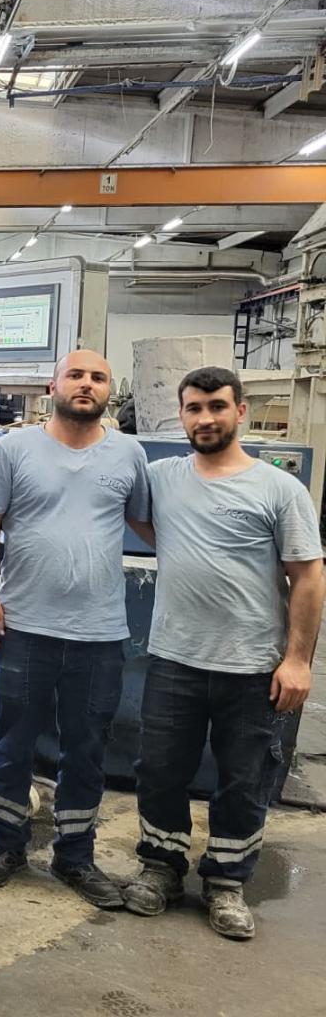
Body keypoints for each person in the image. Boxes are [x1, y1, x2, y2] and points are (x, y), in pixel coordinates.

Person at [123, 366, 323, 940]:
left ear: (240, 411)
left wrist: (298, 660)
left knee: (244, 778)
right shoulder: (162, 477)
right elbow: (141, 520)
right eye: (194, 408)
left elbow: (309, 576)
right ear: (181, 415)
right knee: (159, 769)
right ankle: (161, 867)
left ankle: (227, 881)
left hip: (253, 666)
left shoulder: (279, 489)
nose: (205, 418)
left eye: (216, 406)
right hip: (174, 659)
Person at [0, 349, 151, 908]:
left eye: (98, 377)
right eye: (75, 375)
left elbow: (148, 522)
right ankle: (5, 846)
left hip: (99, 633)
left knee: (87, 748)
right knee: (13, 741)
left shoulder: (129, 453)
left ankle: (75, 856)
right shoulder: (14, 448)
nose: (86, 384)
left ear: (109, 391)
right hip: (24, 625)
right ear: (53, 386)